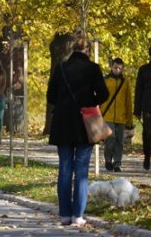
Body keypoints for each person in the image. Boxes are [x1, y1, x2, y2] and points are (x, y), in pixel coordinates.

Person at [47, 36, 109, 227]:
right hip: (85, 125)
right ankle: (78, 216)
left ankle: (64, 215)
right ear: (88, 50)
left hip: (62, 125)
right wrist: (90, 103)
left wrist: (64, 104)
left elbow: (51, 96)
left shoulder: (61, 68)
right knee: (81, 170)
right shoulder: (93, 69)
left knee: (65, 168)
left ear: (73, 50)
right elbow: (104, 94)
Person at [101, 58, 133, 172]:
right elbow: (100, 98)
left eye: (120, 68)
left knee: (119, 140)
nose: (117, 70)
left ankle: (117, 164)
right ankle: (108, 160)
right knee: (110, 138)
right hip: (107, 115)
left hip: (121, 116)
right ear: (111, 67)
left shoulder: (125, 82)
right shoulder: (105, 80)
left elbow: (128, 102)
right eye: (115, 67)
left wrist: (130, 120)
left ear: (122, 69)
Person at [134, 46, 151, 171]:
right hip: (147, 106)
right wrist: (137, 109)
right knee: (147, 133)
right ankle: (147, 156)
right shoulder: (144, 69)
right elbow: (138, 89)